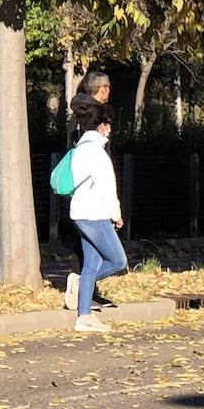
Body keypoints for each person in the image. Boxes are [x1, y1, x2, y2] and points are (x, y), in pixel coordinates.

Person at [69, 100, 127, 333]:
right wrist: (117, 215)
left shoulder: (80, 148)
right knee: (118, 261)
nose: (110, 129)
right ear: (102, 126)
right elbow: (107, 187)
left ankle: (84, 317)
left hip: (80, 213)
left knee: (91, 265)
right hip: (96, 214)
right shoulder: (97, 152)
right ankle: (79, 286)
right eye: (109, 125)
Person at [64, 71, 115, 312]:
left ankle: (86, 296)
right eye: (108, 88)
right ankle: (81, 286)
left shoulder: (77, 114)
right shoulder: (95, 116)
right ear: (102, 89)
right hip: (92, 191)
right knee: (114, 257)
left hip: (78, 187)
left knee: (87, 245)